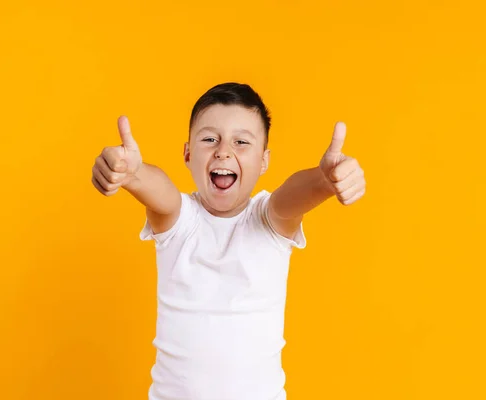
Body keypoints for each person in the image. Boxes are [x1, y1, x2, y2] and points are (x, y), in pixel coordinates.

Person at [91, 82, 366, 400]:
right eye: (210, 139)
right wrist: (133, 174)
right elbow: (161, 193)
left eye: (241, 142)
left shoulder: (269, 219)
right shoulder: (180, 222)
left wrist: (323, 181)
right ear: (188, 154)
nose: (223, 151)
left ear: (264, 162)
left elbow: (290, 198)